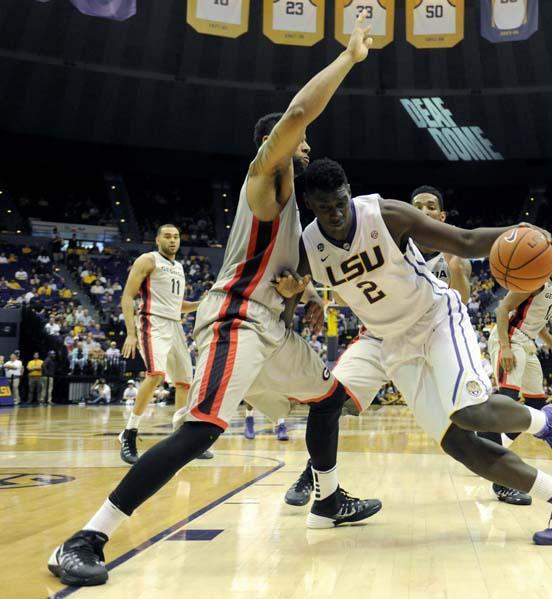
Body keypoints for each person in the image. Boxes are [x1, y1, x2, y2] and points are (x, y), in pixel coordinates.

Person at [49, 17, 380, 588]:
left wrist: (299, 288)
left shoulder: (295, 208)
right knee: (201, 429)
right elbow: (298, 114)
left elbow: (293, 274)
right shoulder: (264, 176)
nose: (307, 144)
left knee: (330, 400)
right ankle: (85, 537)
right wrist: (348, 57)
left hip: (272, 329)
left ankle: (327, 500)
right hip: (236, 321)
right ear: (274, 144)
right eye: (298, 140)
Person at [275, 158, 552, 545]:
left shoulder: (386, 214)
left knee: (470, 412)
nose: (337, 213)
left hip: (436, 320)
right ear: (310, 204)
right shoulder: (306, 249)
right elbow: (288, 299)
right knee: (458, 445)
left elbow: (463, 240)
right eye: (326, 207)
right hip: (393, 344)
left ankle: (549, 425)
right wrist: (298, 299)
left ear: (349, 193)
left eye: (341, 202)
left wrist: (523, 232)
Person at [285, 184, 472, 506]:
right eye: (417, 206)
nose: (423, 212)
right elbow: (342, 290)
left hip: (436, 334)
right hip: (379, 338)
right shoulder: (383, 238)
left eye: (430, 207)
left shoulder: (452, 256)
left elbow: (462, 308)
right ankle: (315, 474)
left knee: (471, 409)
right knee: (331, 402)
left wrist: (457, 270)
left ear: (441, 216)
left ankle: (505, 479)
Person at [480, 238, 552, 505]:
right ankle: (501, 479)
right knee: (506, 398)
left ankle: (491, 444)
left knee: (536, 403)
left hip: (527, 341)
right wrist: (505, 347)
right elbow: (503, 308)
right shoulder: (534, 278)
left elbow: (538, 323)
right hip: (510, 337)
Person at [118, 224, 207, 465]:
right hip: (151, 322)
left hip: (175, 324)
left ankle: (180, 437)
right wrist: (130, 333)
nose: (172, 240)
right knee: (156, 375)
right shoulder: (148, 260)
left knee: (185, 383)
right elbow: (127, 296)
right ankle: (129, 433)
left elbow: (178, 306)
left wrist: (201, 302)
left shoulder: (178, 266)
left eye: (176, 237)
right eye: (167, 236)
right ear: (158, 239)